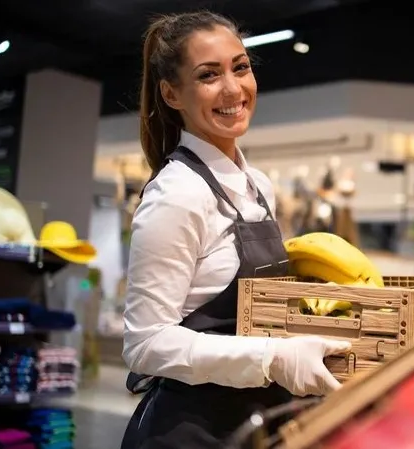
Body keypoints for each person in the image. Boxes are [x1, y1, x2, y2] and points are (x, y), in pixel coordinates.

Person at [119, 11, 351, 449]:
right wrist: (273, 358)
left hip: (254, 423)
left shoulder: (258, 186)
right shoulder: (177, 193)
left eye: (239, 67)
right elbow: (145, 344)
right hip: (188, 430)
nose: (233, 89)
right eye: (209, 75)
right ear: (172, 94)